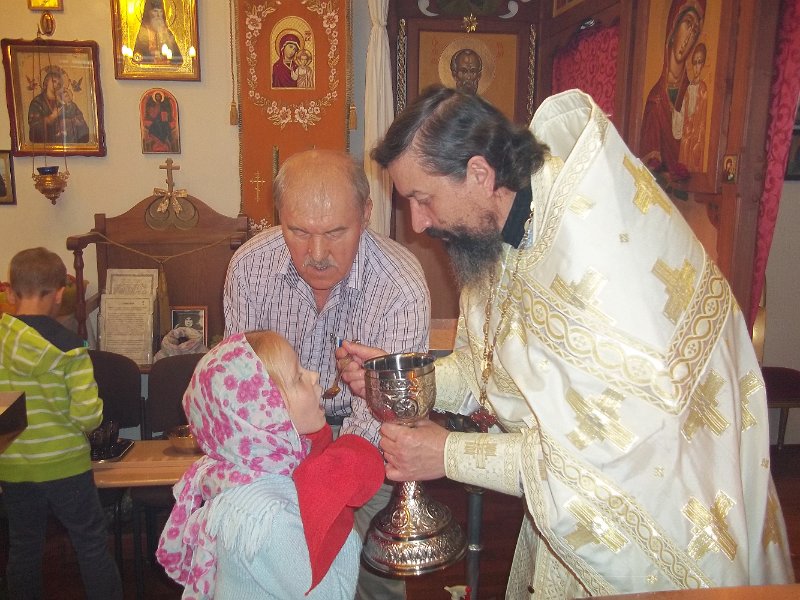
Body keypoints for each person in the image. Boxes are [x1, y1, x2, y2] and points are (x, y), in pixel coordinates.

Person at [338, 84, 795, 598]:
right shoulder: (500, 233)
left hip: (660, 529)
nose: (419, 223)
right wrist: (404, 377)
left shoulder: (593, 261)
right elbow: (486, 365)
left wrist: (449, 454)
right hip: (570, 525)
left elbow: (606, 462)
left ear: (480, 174)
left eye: (423, 199)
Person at [223, 148, 430, 599]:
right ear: (279, 218)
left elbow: (386, 412)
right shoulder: (250, 267)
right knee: (279, 581)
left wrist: (327, 480)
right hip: (276, 446)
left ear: (366, 214)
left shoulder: (399, 285)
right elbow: (241, 388)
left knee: (371, 578)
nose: (316, 254)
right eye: (298, 232)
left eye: (336, 232)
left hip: (371, 445)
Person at [156, 331, 384, 599]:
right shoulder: (269, 518)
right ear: (265, 412)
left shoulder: (247, 473)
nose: (313, 376)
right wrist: (338, 507)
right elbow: (333, 593)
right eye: (298, 377)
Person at [0, 247, 123, 600]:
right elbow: (87, 417)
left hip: (13, 464)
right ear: (58, 294)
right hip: (65, 464)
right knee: (90, 543)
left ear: (10, 292)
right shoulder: (71, 349)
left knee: (24, 546)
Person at [639, 0, 705, 174]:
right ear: (673, 29)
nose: (689, 36)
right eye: (687, 24)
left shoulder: (694, 94)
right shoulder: (655, 99)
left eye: (695, 31)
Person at [27, 65, 90, 144]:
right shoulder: (37, 102)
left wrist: (69, 120)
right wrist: (51, 117)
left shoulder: (65, 101)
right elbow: (34, 127)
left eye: (59, 83)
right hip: (46, 145)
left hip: (66, 143)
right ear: (46, 82)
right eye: (54, 81)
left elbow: (82, 124)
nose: (56, 85)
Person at [678, 42, 708, 172]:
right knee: (684, 150)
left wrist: (698, 139)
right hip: (686, 131)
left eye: (699, 62)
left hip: (696, 134)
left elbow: (702, 117)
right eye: (694, 62)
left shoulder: (703, 88)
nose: (696, 67)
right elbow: (683, 110)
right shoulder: (688, 88)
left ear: (703, 64)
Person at [133, 0, 183, 65]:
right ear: (148, 14)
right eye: (155, 11)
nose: (158, 15)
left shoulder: (168, 33)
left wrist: (169, 60)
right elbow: (137, 56)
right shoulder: (142, 33)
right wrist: (152, 59)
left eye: (160, 11)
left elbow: (177, 57)